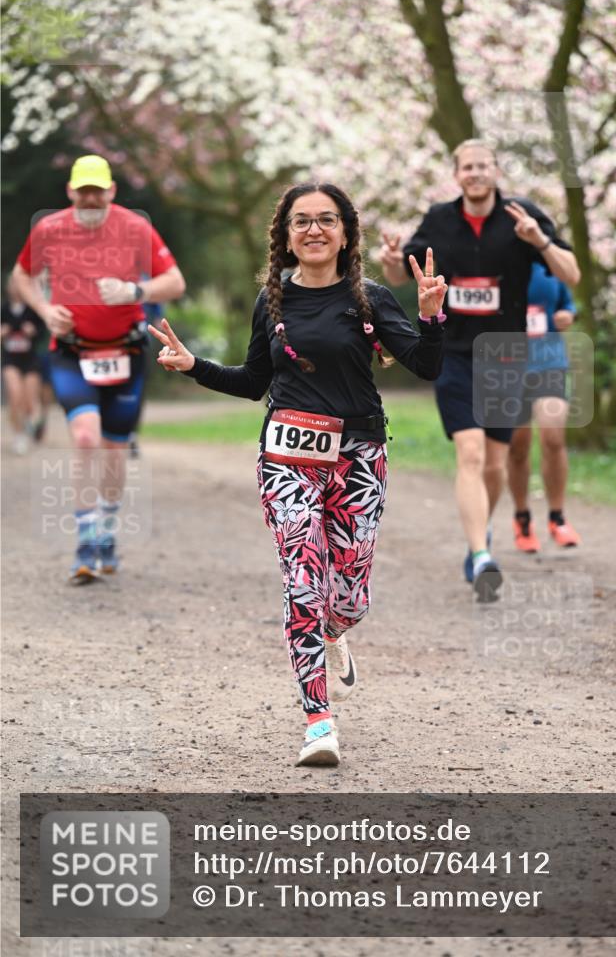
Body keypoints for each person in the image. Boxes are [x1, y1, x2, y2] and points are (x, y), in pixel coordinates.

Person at [148, 181, 446, 766]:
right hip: (287, 458)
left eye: (326, 220)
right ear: (286, 236)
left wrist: (432, 317)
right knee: (303, 583)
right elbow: (252, 381)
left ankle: (336, 632)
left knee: (350, 596)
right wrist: (193, 366)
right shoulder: (272, 301)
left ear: (346, 233)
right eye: (302, 221)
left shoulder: (370, 299)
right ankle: (318, 722)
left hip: (359, 457)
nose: (314, 230)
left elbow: (427, 367)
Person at [380, 139, 580, 601]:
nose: (475, 173)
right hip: (452, 352)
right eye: (467, 167)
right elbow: (401, 275)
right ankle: (482, 554)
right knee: (469, 453)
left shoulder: (521, 216)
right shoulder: (438, 219)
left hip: (506, 355)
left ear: (496, 171)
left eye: (483, 166)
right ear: (457, 175)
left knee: (493, 462)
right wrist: (391, 263)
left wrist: (539, 240)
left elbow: (571, 274)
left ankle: (481, 532)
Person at [11, 154, 185, 582]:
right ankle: (86, 543)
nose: (90, 198)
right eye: (83, 191)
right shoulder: (49, 229)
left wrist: (134, 290)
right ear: (71, 191)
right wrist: (45, 310)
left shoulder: (135, 228)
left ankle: (107, 532)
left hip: (125, 353)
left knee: (113, 448)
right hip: (72, 352)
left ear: (111, 191)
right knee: (86, 438)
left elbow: (175, 282)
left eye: (98, 191)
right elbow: (21, 275)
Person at [508, 260, 580, 551]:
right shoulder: (496, 260)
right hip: (508, 366)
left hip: (549, 363)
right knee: (518, 446)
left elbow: (567, 303)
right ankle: (522, 518)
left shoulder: (550, 264)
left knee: (553, 437)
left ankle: (557, 517)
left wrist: (567, 315)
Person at [1, 274, 45, 454]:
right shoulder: (3, 309)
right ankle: (19, 435)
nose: (15, 287)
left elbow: (43, 332)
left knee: (29, 402)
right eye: (12, 283)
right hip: (10, 359)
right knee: (15, 396)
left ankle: (33, 424)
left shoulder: (33, 309)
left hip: (30, 360)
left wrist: (33, 331)